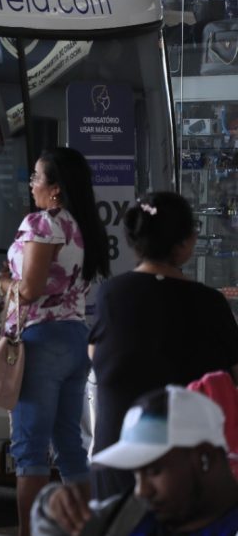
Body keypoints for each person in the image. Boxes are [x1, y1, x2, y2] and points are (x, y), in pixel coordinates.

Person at [88, 191, 238, 500]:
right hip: (186, 472)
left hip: (115, 466)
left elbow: (96, 357)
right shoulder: (210, 304)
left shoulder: (111, 296)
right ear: (185, 244)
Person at [0, 147, 111, 536]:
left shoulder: (44, 224)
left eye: (36, 178)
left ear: (56, 189)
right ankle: (87, 528)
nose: (31, 185)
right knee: (69, 442)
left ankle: (33, 532)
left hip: (41, 339)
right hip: (75, 338)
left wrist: (3, 282)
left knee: (29, 450)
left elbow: (28, 290)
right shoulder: (82, 226)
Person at [32, 386, 238, 535]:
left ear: (205, 458)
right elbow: (56, 526)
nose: (141, 490)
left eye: (153, 471)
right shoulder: (133, 514)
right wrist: (52, 503)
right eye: (136, 474)